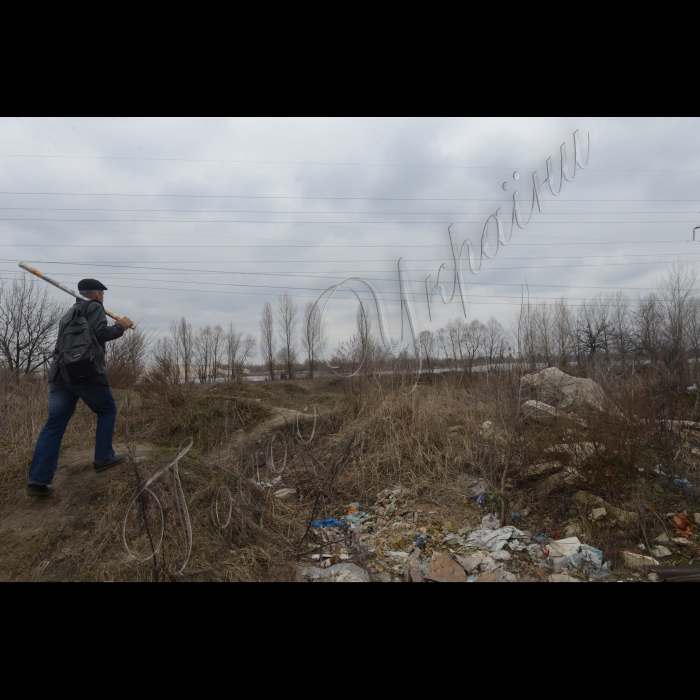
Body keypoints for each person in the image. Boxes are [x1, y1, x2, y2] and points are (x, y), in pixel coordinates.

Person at [26, 279, 134, 497]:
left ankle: (38, 481)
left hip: (60, 374)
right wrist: (120, 327)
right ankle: (103, 457)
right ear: (97, 295)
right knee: (107, 409)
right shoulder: (94, 307)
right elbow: (101, 334)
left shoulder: (70, 312)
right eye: (102, 294)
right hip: (85, 373)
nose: (103, 298)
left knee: (53, 426)